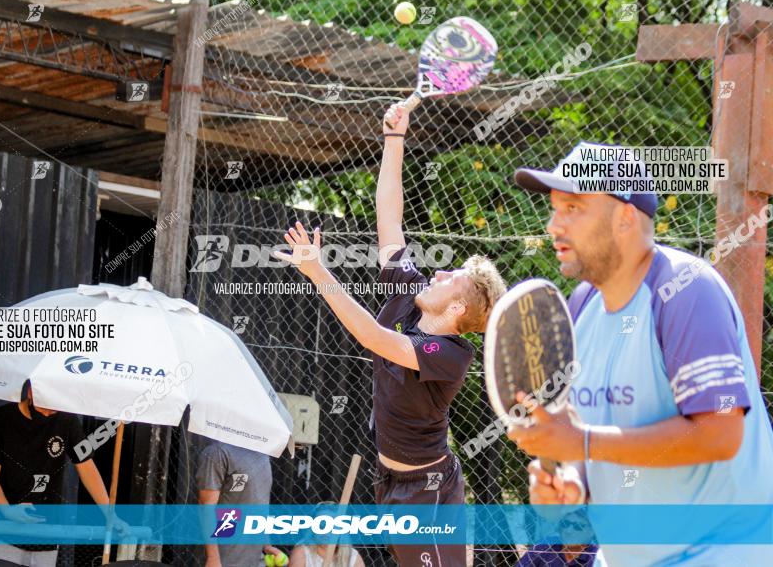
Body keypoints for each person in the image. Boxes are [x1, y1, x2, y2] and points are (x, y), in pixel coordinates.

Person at [508, 141, 773, 565]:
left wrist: (583, 441)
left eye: (573, 208)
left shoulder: (687, 290)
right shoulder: (580, 306)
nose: (554, 224)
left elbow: (721, 434)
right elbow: (591, 436)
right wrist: (572, 482)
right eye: (555, 208)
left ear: (625, 217)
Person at [272, 104, 506, 567]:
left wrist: (317, 272)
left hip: (429, 488)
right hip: (391, 479)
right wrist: (394, 139)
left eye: (450, 278)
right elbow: (389, 217)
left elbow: (373, 338)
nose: (438, 271)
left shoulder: (451, 354)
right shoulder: (409, 293)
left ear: (456, 309)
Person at [0, 382, 126, 566]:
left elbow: (87, 467)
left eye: (55, 407)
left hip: (45, 534)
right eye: (45, 405)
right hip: (0, 534)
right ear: (31, 392)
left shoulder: (68, 421)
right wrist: (8, 511)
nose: (49, 412)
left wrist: (110, 514)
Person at [197, 438, 272, 567]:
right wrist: (213, 558)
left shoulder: (263, 455)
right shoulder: (217, 452)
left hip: (255, 558)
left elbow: (260, 504)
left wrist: (266, 546)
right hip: (224, 558)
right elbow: (206, 507)